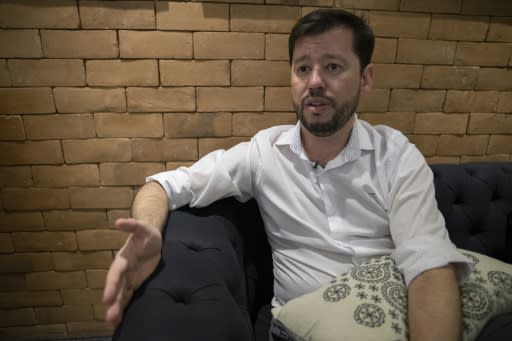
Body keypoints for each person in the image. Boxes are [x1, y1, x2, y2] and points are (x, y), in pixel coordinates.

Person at [103, 8, 472, 340]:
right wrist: (150, 231)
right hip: (298, 328)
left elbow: (428, 264)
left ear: (365, 79)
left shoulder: (397, 156)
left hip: (386, 319)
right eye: (303, 68)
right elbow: (165, 185)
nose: (314, 81)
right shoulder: (264, 153)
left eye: (333, 66)